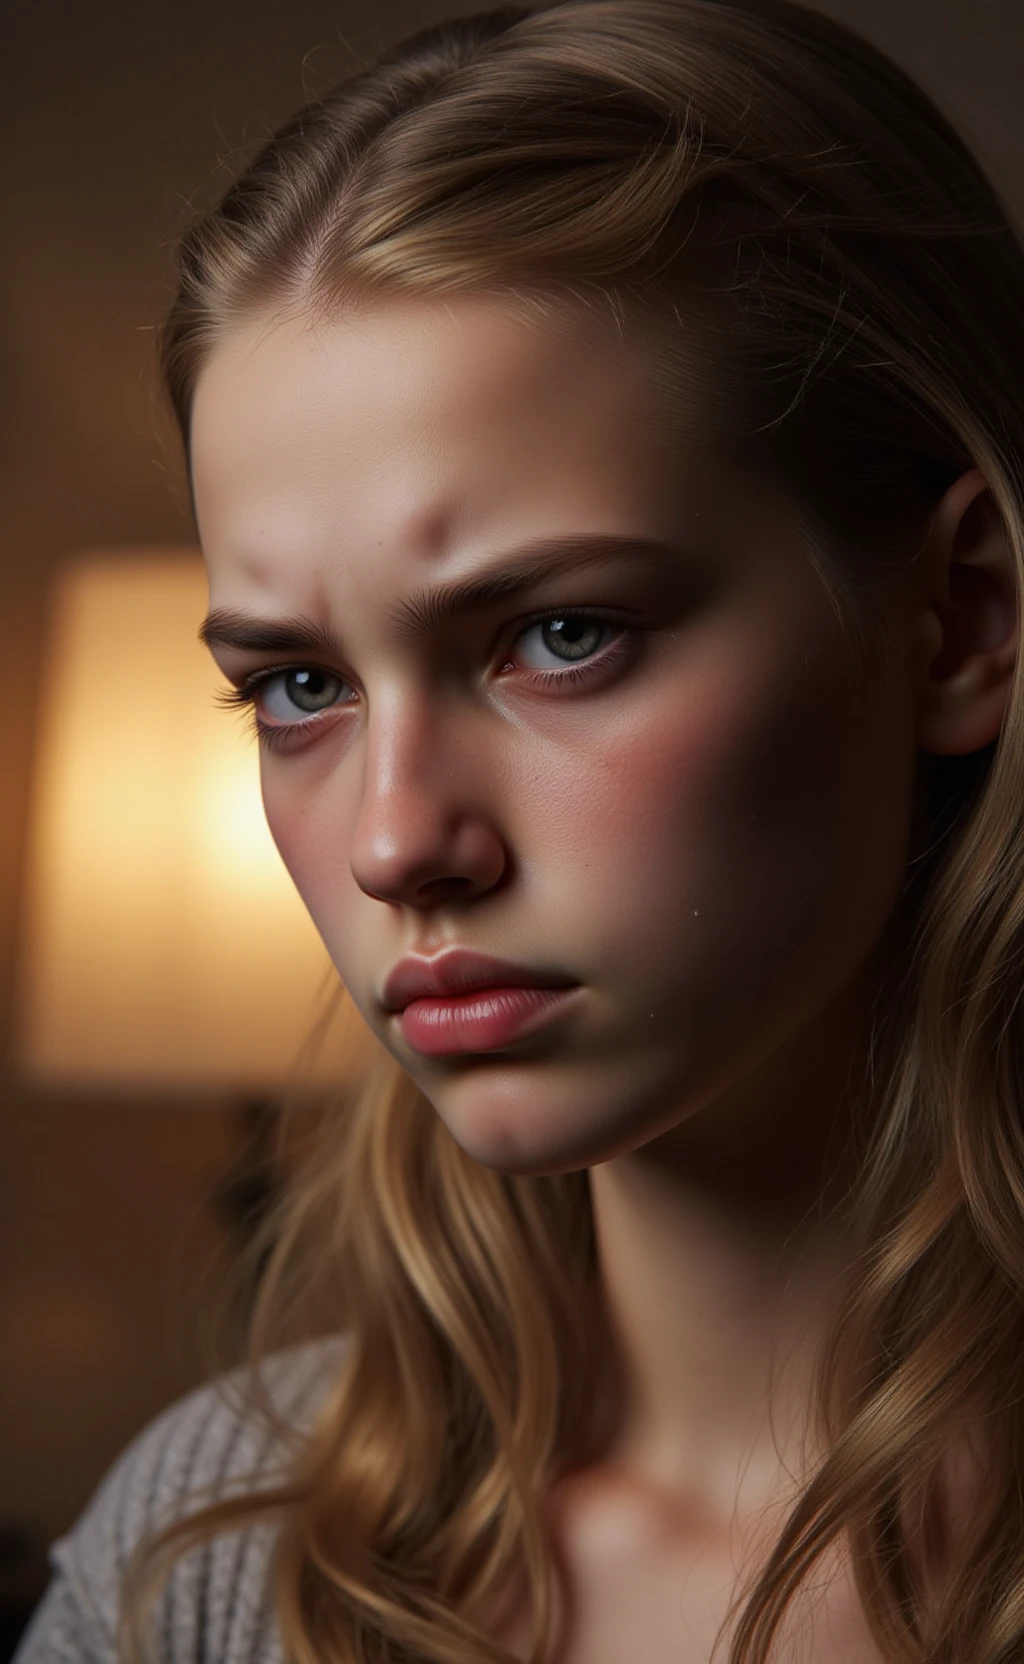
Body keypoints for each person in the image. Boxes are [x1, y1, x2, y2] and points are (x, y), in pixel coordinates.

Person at [14, 0, 1024, 1659]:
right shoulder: (207, 1555)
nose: (397, 843)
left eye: (561, 635)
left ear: (960, 621)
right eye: (297, 686)